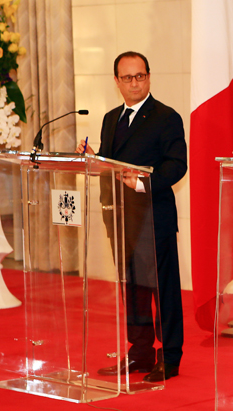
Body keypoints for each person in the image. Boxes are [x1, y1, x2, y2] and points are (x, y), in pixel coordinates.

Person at [77, 51, 187, 382]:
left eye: (140, 76)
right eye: (127, 78)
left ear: (149, 77)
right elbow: (112, 164)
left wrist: (141, 181)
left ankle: (169, 358)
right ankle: (139, 352)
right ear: (116, 82)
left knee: (163, 290)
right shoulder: (112, 118)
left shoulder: (166, 117)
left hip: (154, 218)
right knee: (133, 290)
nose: (134, 83)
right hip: (120, 217)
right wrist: (95, 161)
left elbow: (176, 165)